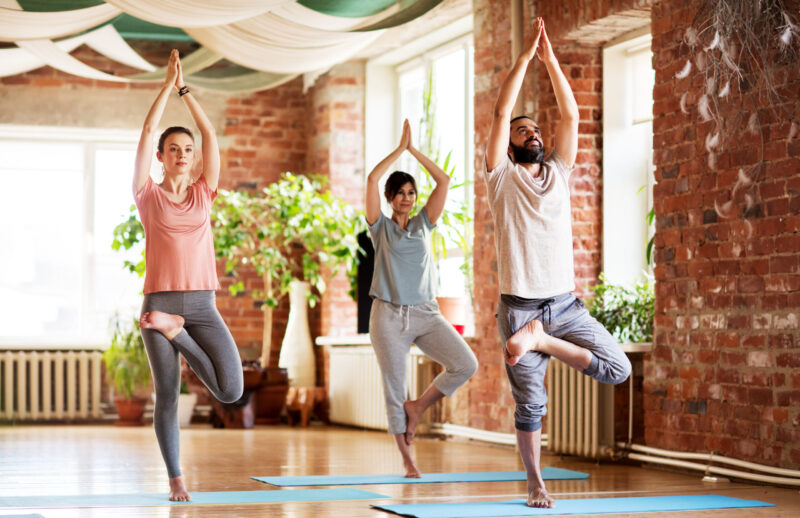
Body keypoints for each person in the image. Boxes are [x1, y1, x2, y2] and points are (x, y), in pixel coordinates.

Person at [484, 18, 632, 508]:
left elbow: (571, 117)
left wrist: (551, 62)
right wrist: (526, 58)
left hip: (564, 308)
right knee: (532, 404)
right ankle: (535, 483)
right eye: (522, 131)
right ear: (508, 144)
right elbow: (502, 110)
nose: (532, 134)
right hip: (520, 307)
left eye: (535, 130)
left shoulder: (559, 173)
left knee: (618, 369)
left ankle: (542, 342)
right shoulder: (501, 176)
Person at [132, 50, 244, 501]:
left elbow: (211, 131)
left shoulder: (204, 193)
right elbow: (144, 131)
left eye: (188, 150)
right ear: (160, 157)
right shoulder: (146, 195)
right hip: (158, 301)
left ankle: (176, 333)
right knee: (169, 394)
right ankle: (175, 476)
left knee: (232, 389)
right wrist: (163, 89)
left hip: (199, 307)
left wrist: (185, 91)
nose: (182, 155)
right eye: (173, 149)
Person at [366, 119, 478, 478]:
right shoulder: (379, 228)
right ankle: (408, 461)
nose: (406, 198)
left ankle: (419, 407)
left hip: (427, 313)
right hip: (388, 317)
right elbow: (370, 180)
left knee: (466, 363)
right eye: (400, 192)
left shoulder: (424, 224)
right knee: (394, 388)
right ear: (390, 198)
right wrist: (398, 151)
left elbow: (443, 181)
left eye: (411, 192)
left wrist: (414, 151)